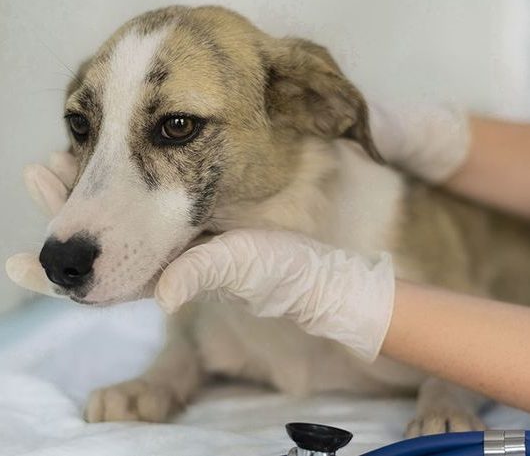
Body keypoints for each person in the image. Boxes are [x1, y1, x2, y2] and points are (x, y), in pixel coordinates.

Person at [6, 103, 530, 410]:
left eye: (177, 127)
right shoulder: (214, 299)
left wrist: (444, 392)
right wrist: (439, 135)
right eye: (82, 125)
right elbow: (198, 339)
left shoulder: (401, 229)